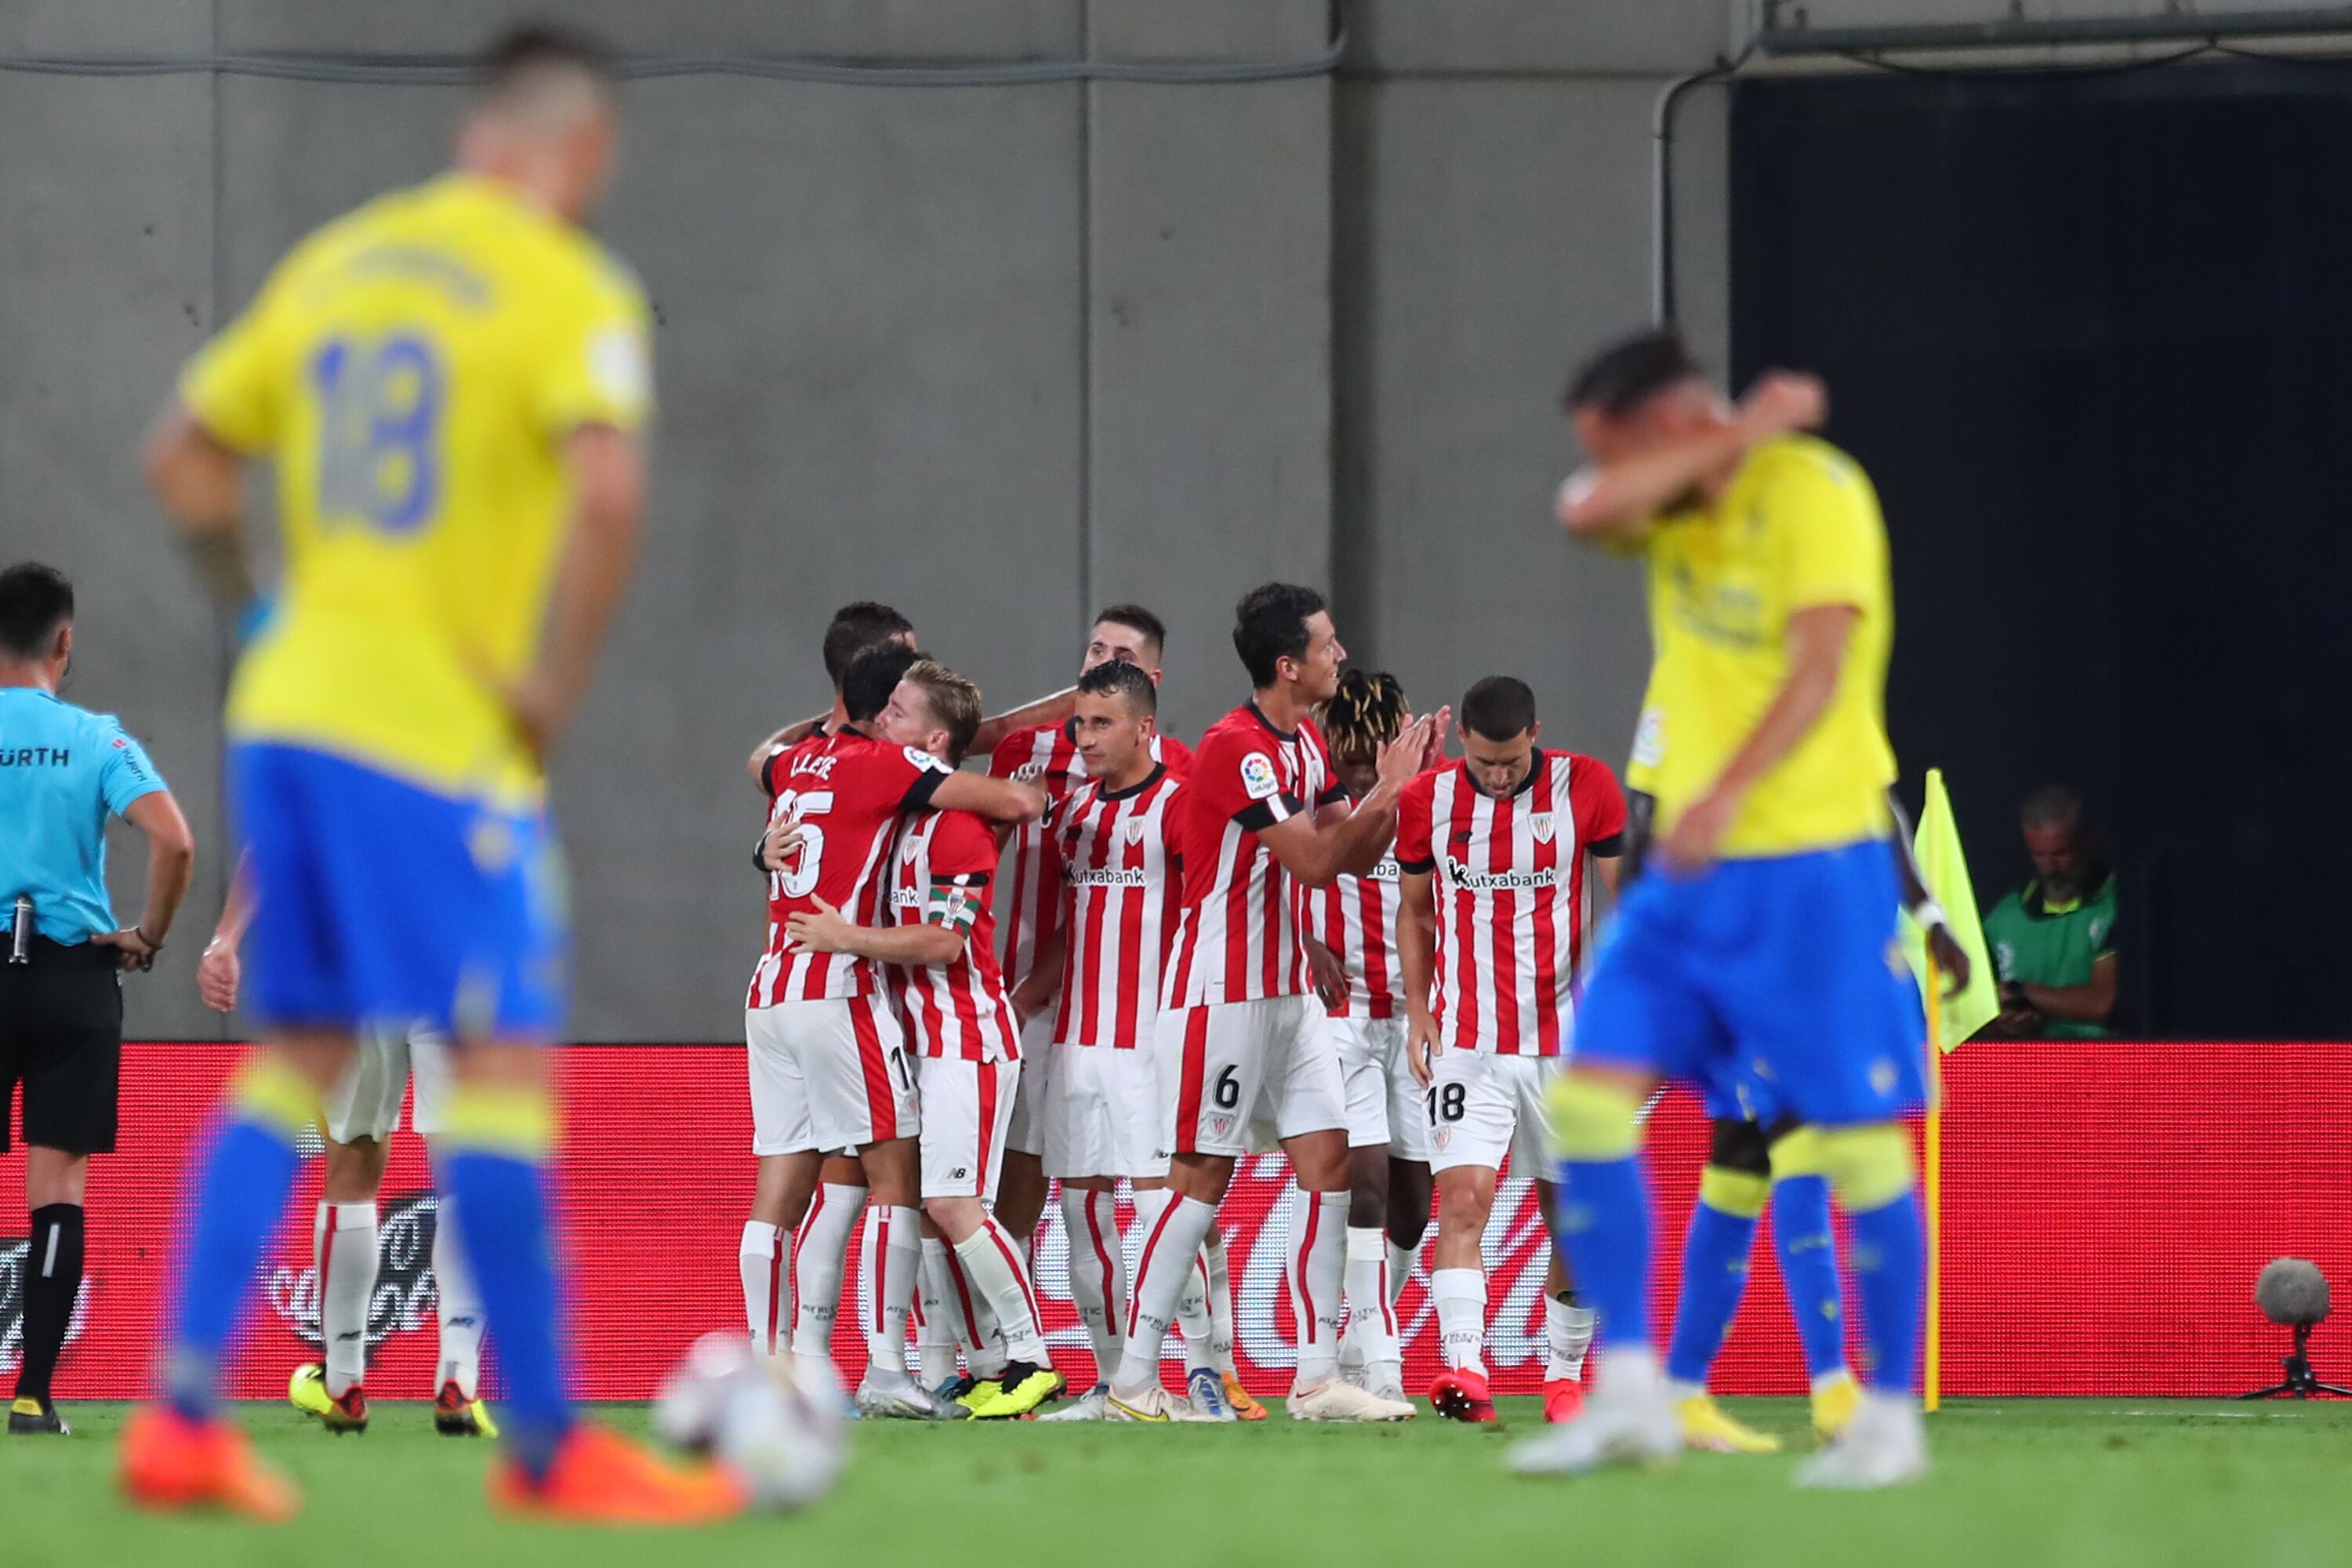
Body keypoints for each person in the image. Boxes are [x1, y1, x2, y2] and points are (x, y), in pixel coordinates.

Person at [125, 27, 736, 1522]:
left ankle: (183, 1416)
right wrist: (549, 693)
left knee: (299, 1059)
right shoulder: (562, 282)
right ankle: (544, 1444)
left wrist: (262, 613)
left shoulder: (341, 261)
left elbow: (184, 460)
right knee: (504, 1068)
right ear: (582, 149)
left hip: (291, 711)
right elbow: (606, 488)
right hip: (433, 731)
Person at [1514, 328, 1929, 1489]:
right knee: (1588, 1103)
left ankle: (1886, 1419)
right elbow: (1582, 510)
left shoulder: (1820, 495)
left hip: (1809, 866)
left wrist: (1730, 793)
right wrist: (1738, 430)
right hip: (1685, 885)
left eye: (1617, 442)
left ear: (1663, 424)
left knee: (1851, 1146)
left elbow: (1820, 669)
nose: (1606, 469)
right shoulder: (1674, 501)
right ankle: (1639, 1395)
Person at [1105, 583, 1435, 1424]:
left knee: (1327, 1169)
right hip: (1223, 994)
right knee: (1200, 1180)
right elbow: (1316, 862)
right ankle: (1133, 1380)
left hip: (1289, 993)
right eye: (1328, 645)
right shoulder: (1237, 749)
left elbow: (1354, 851)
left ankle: (1318, 1375)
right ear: (1288, 664)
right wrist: (1386, 793)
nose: (1341, 655)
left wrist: (1400, 793)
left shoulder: (1301, 749)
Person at [742, 642, 1044, 1417]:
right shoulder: (891, 789)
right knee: (901, 1192)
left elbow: (763, 763)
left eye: (901, 711)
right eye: (883, 702)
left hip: (949, 1033)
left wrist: (846, 931)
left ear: (935, 740)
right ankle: (884, 1366)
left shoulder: (938, 817)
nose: (885, 719)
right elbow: (1019, 799)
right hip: (866, 1014)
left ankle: (999, 1355)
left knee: (922, 1197)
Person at [194, 866, 495, 1438]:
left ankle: (343, 1385)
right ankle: (458, 1379)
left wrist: (226, 937)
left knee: (352, 1166)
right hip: (451, 954)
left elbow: (277, 841)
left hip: (361, 963)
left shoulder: (336, 770)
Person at [0, 562, 196, 1438]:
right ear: (65, 641)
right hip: (72, 977)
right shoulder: (95, 736)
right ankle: (35, 1394)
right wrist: (146, 935)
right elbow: (175, 841)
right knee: (57, 1190)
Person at [1396, 677, 1623, 1427]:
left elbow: (1618, 907)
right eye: (1488, 763)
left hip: (1565, 1045)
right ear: (1462, 737)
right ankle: (1465, 1369)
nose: (1500, 776)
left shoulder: (1586, 785)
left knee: (1576, 1220)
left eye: (1514, 763)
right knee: (1461, 1199)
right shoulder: (1427, 800)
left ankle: (1563, 1379)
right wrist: (1419, 1010)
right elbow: (1417, 913)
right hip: (1467, 1042)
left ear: (1537, 735)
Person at [986, 609, 1203, 1354]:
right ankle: (1105, 1377)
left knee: (1163, 1209)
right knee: (1068, 1206)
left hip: (1151, 1032)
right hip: (1067, 1021)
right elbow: (1066, 921)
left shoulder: (1184, 792)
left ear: (1144, 710)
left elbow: (1227, 895)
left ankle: (1210, 1368)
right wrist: (1016, 1000)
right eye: (1094, 649)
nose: (1085, 737)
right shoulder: (1061, 796)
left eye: (1101, 722)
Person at [1306, 670, 1435, 1407]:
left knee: (1414, 1207)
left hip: (1415, 1017)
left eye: (1369, 760)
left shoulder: (1435, 794)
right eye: (1348, 761)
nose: (1358, 775)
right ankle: (1376, 1357)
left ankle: (1360, 1336)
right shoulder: (1312, 796)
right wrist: (1302, 936)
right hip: (1342, 1016)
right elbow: (1264, 866)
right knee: (1368, 1182)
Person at [1983, 785, 2117, 1039]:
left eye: (2061, 853)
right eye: (2039, 854)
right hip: (2023, 1069)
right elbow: (1974, 1017)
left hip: (2103, 1067)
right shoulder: (2003, 918)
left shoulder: (2115, 905)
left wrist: (2021, 992)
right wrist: (2003, 1024)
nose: (2050, 867)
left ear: (2086, 841)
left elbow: (2102, 1003)